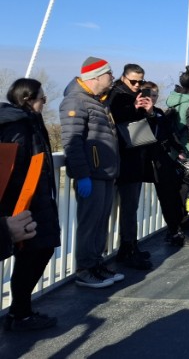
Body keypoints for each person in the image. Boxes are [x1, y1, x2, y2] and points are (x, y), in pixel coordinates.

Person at [0, 78, 61, 330]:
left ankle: (20, 311)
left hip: (32, 198)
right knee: (36, 251)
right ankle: (20, 314)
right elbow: (13, 166)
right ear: (28, 99)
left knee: (35, 251)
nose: (44, 103)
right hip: (27, 201)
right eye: (42, 98)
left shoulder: (24, 121)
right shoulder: (19, 125)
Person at [60, 57, 123, 288]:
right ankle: (85, 270)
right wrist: (82, 174)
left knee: (100, 222)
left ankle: (96, 264)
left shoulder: (98, 102)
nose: (112, 77)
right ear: (95, 77)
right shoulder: (76, 101)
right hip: (92, 174)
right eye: (109, 74)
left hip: (105, 173)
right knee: (89, 223)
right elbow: (72, 142)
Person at [107, 64, 153, 270]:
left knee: (130, 208)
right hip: (124, 160)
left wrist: (148, 111)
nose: (137, 85)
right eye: (133, 81)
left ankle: (129, 247)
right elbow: (115, 118)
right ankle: (127, 250)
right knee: (127, 209)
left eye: (140, 82)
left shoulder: (126, 95)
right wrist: (135, 108)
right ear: (122, 78)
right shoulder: (115, 96)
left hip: (134, 158)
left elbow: (143, 123)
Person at [138, 81, 189, 248]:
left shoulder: (158, 112)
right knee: (166, 197)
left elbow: (168, 134)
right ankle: (174, 231)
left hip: (165, 159)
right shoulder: (139, 113)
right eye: (149, 95)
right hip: (151, 163)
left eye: (155, 95)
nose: (152, 99)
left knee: (175, 194)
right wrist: (148, 114)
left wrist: (180, 150)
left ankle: (177, 228)